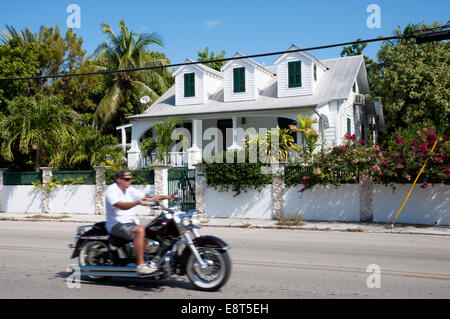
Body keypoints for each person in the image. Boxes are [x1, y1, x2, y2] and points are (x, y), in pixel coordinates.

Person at [105, 170, 175, 276]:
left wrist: (168, 197)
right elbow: (121, 205)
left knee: (152, 228)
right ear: (119, 180)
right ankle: (141, 265)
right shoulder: (111, 190)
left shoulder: (129, 190)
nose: (130, 181)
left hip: (131, 222)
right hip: (116, 224)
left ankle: (153, 258)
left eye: (130, 179)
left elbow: (148, 198)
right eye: (127, 179)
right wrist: (137, 202)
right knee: (140, 230)